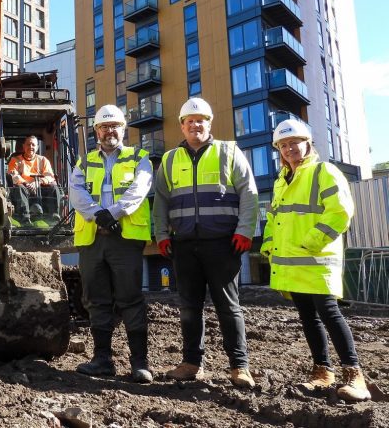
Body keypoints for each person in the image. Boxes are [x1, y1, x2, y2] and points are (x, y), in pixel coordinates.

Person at [261, 119, 370, 401]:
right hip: (292, 264)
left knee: (330, 314)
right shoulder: (281, 181)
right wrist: (269, 244)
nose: (289, 149)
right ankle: (322, 372)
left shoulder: (324, 171)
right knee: (308, 318)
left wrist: (311, 242)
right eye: (283, 145)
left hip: (316, 261)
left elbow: (340, 212)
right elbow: (274, 218)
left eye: (293, 142)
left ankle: (354, 375)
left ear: (307, 143)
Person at [153, 97, 257, 388]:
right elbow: (160, 200)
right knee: (189, 306)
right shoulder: (170, 159)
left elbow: (249, 193)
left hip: (223, 243)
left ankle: (239, 366)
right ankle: (191, 363)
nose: (195, 125)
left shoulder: (228, 152)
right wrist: (161, 234)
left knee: (229, 306)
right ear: (182, 126)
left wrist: (245, 230)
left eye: (200, 121)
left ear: (209, 123)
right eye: (189, 122)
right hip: (184, 244)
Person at [68, 104, 154, 383]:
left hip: (124, 239)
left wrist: (112, 214)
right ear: (96, 131)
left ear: (123, 129)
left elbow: (139, 190)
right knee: (97, 301)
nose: (110, 131)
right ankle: (102, 359)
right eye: (104, 127)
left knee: (130, 299)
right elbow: (76, 192)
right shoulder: (84, 161)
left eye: (115, 125)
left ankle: (140, 363)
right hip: (93, 239)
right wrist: (98, 216)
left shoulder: (139, 157)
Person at [8, 135, 61, 224]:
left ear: (37, 147)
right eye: (28, 144)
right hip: (24, 189)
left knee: (53, 187)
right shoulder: (15, 160)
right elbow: (14, 175)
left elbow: (50, 176)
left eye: (33, 145)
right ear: (23, 146)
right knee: (19, 188)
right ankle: (25, 218)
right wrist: (26, 183)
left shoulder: (43, 160)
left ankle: (53, 217)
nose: (31, 147)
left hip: (40, 189)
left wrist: (38, 183)